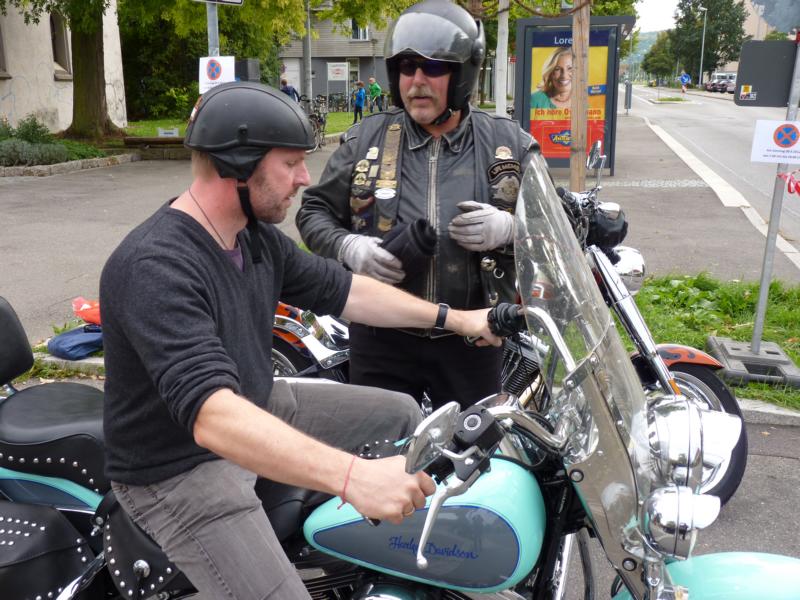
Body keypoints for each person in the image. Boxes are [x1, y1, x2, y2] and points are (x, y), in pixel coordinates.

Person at [100, 81, 501, 599]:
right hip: (178, 466)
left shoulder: (252, 238)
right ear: (237, 166)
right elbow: (212, 415)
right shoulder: (155, 266)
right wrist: (353, 477)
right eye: (290, 163)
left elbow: (349, 291)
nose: (305, 178)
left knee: (402, 413)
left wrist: (461, 320)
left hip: (256, 399)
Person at [297, 0, 537, 411]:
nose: (417, 81)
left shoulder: (509, 145)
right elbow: (313, 211)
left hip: (473, 336)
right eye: (407, 68)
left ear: (462, 74)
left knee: (476, 445)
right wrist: (347, 246)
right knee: (379, 442)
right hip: (382, 336)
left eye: (434, 67)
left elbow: (558, 231)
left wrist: (512, 229)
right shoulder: (364, 141)